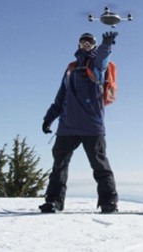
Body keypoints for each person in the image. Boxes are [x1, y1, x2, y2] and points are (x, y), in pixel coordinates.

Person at [39, 31, 119, 213]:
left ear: (94, 45)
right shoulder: (71, 68)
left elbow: (103, 57)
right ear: (78, 45)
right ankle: (53, 202)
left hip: (92, 125)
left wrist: (107, 45)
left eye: (90, 42)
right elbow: (61, 96)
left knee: (99, 165)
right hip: (67, 126)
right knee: (59, 166)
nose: (86, 45)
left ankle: (109, 202)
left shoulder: (97, 66)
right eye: (83, 42)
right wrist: (49, 118)